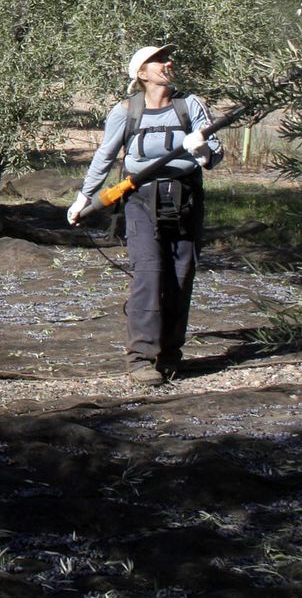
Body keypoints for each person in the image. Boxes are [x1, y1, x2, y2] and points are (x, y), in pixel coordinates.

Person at [66, 45, 223, 384]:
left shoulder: (191, 105)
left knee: (181, 276)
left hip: (187, 198)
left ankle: (169, 355)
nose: (169, 63)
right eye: (159, 60)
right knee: (149, 276)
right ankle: (140, 359)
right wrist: (83, 198)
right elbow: (104, 157)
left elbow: (215, 153)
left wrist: (202, 151)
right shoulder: (125, 111)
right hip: (140, 201)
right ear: (141, 74)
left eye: (169, 59)